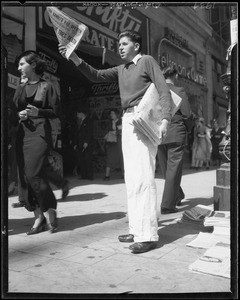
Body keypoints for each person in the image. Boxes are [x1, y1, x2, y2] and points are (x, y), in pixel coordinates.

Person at [59, 30, 172, 254]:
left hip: (144, 118)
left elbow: (163, 88)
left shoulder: (147, 61)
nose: (119, 47)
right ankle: (136, 228)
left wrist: (166, 118)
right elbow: (95, 75)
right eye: (118, 44)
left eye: (124, 44)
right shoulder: (122, 69)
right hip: (128, 120)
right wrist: (74, 57)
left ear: (136, 46)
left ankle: (148, 235)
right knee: (131, 178)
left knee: (143, 178)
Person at [9, 50, 61, 233]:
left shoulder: (48, 86)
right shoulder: (21, 88)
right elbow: (13, 111)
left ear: (33, 65)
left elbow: (55, 111)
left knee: (33, 174)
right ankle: (38, 217)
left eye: (22, 64)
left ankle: (50, 207)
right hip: (22, 135)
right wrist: (19, 114)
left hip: (39, 134)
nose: (19, 68)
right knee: (24, 178)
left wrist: (38, 112)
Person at [157, 66, 191, 214]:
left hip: (159, 133)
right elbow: (188, 114)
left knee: (167, 170)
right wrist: (188, 129)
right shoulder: (179, 90)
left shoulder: (156, 91)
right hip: (176, 132)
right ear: (175, 75)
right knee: (173, 170)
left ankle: (177, 194)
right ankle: (167, 205)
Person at [72, 108, 94, 180]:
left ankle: (90, 176)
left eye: (78, 114)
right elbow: (76, 133)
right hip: (79, 144)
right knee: (81, 160)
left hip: (87, 144)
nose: (77, 116)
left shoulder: (89, 121)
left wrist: (86, 142)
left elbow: (89, 132)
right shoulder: (79, 122)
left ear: (81, 113)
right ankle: (84, 175)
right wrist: (75, 143)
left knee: (88, 160)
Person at [104, 109, 124, 180]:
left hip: (118, 142)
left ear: (116, 114)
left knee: (121, 157)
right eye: (111, 114)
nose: (111, 115)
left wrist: (113, 132)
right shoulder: (109, 122)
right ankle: (107, 175)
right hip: (111, 142)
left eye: (113, 114)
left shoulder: (120, 121)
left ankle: (123, 174)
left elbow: (121, 131)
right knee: (109, 157)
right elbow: (107, 130)